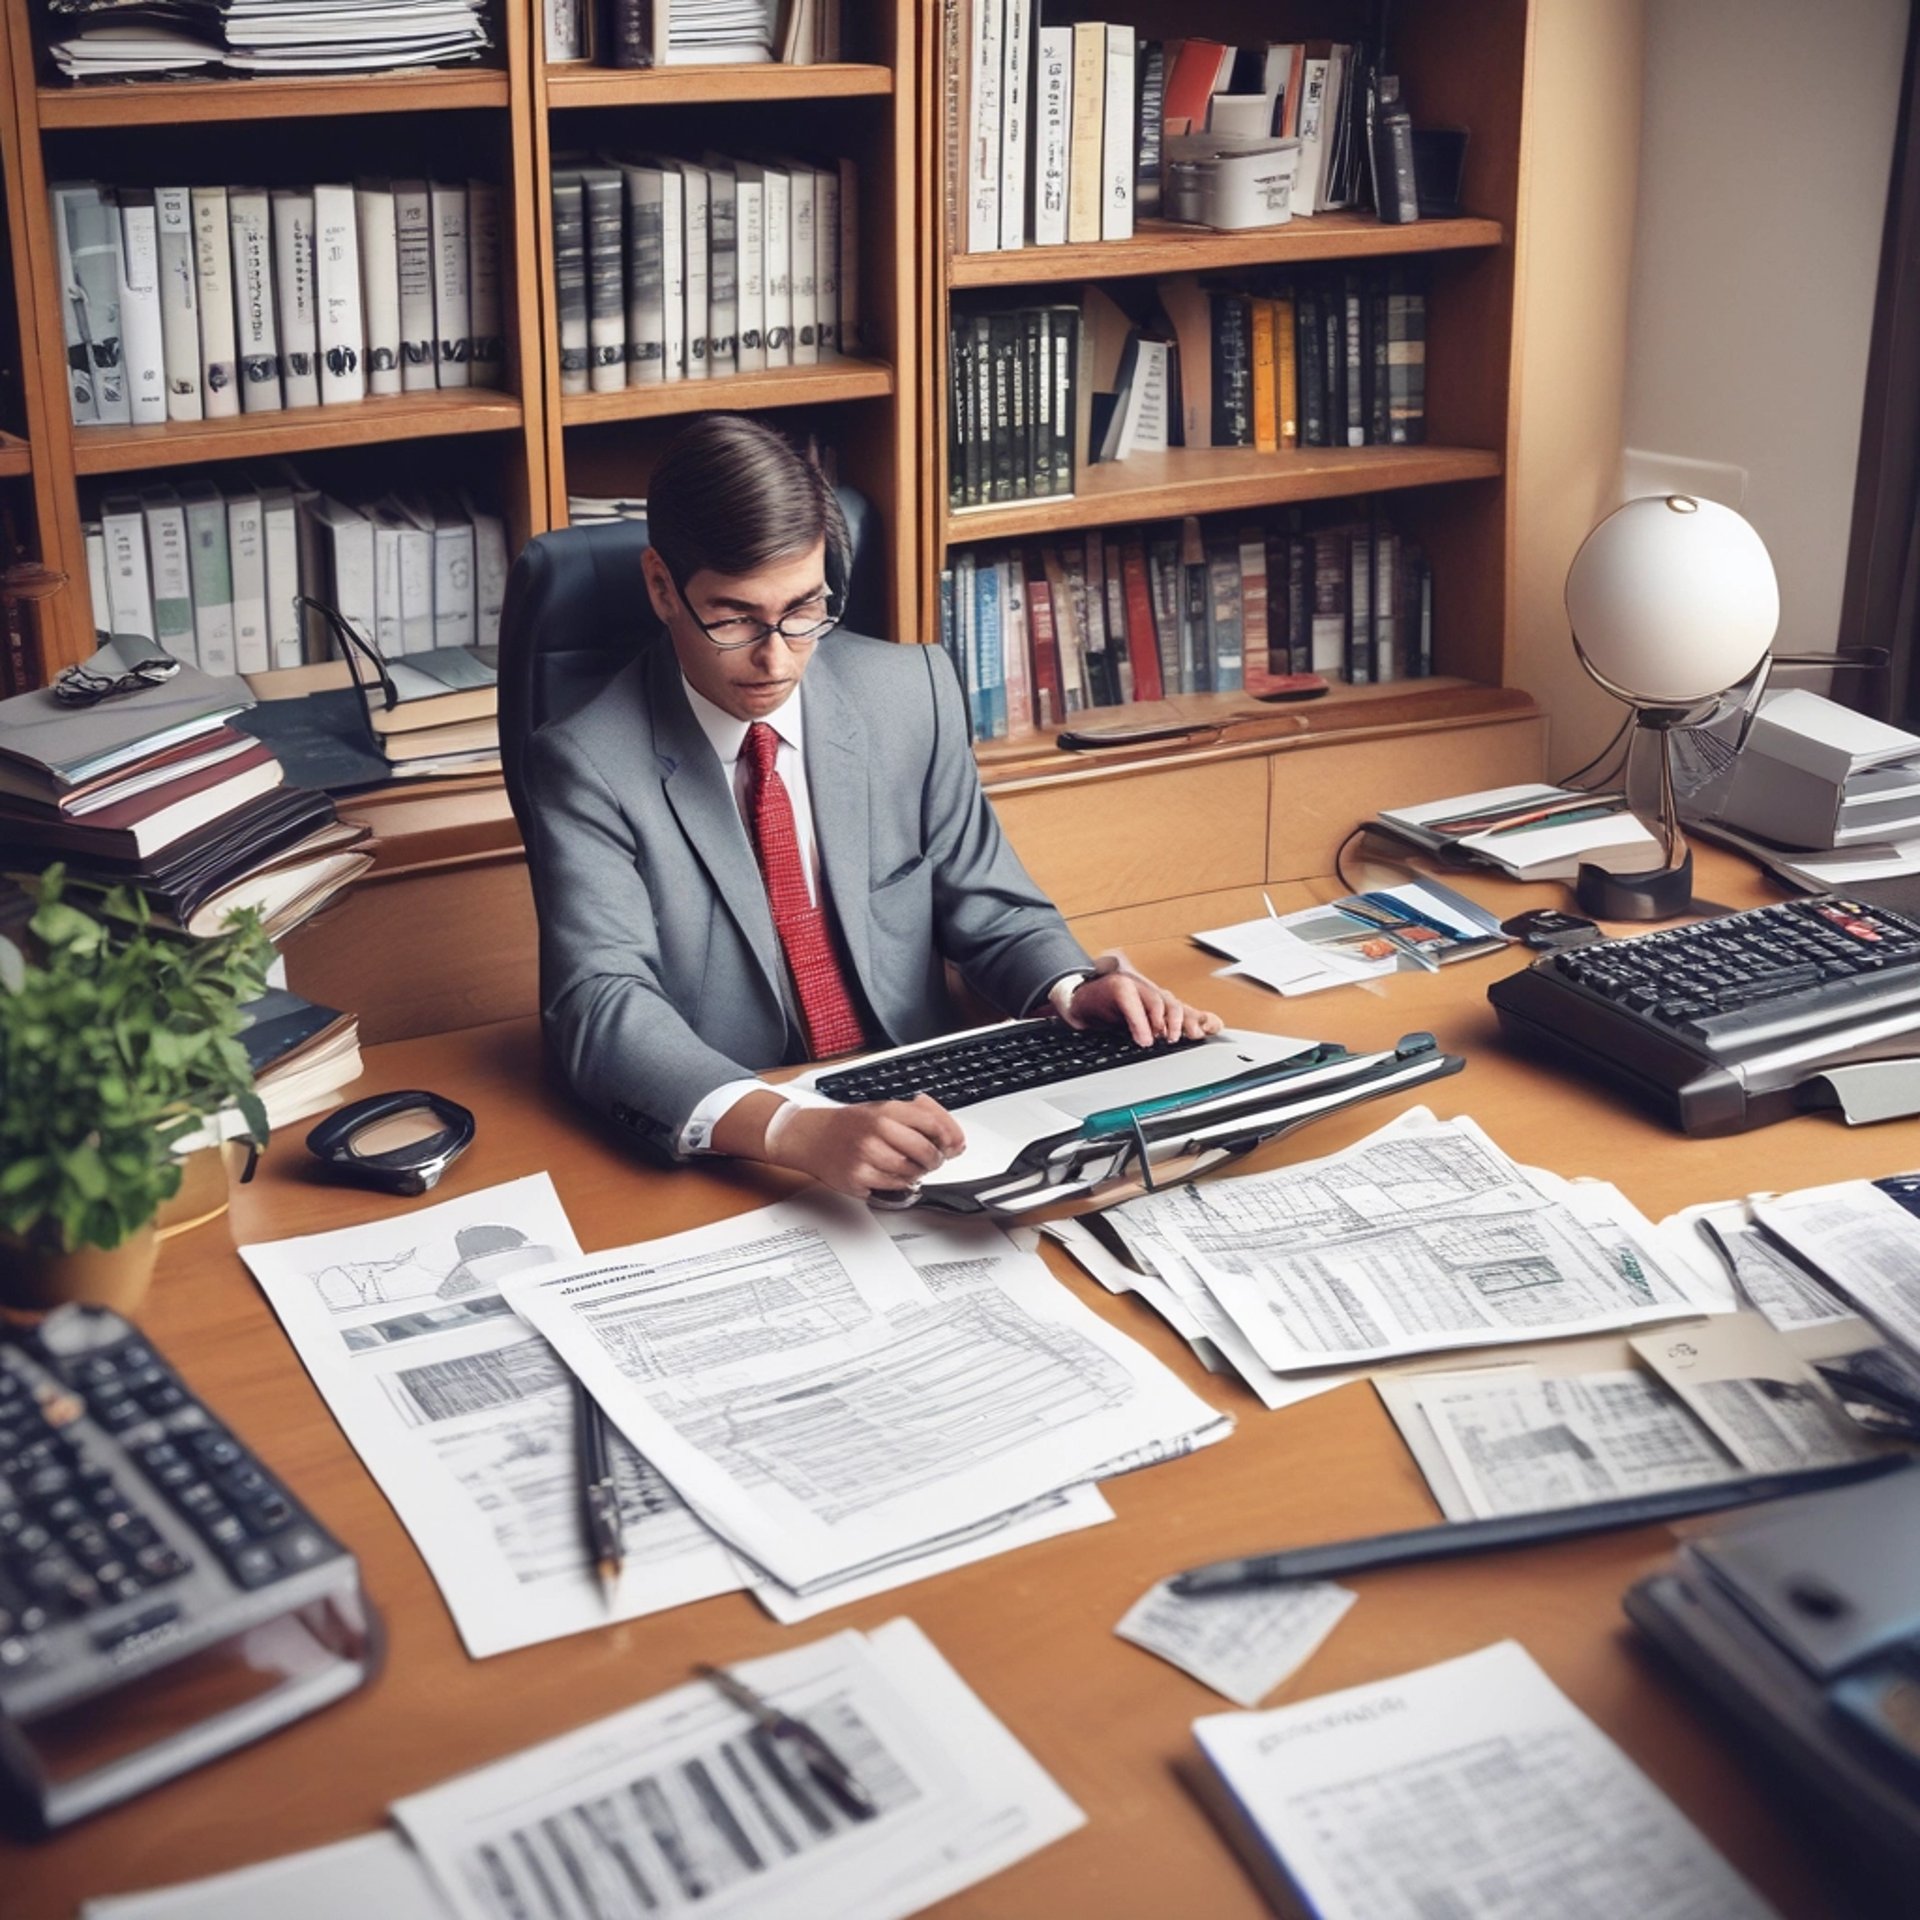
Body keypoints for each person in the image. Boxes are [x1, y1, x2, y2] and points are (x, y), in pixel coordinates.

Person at [522, 417, 1220, 1199]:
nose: (776, 658)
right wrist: (793, 1126)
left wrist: (1069, 985)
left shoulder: (908, 693)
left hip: (932, 1106)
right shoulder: (586, 763)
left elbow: (990, 906)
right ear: (662, 588)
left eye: (803, 610)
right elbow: (601, 1006)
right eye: (734, 618)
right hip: (747, 1133)